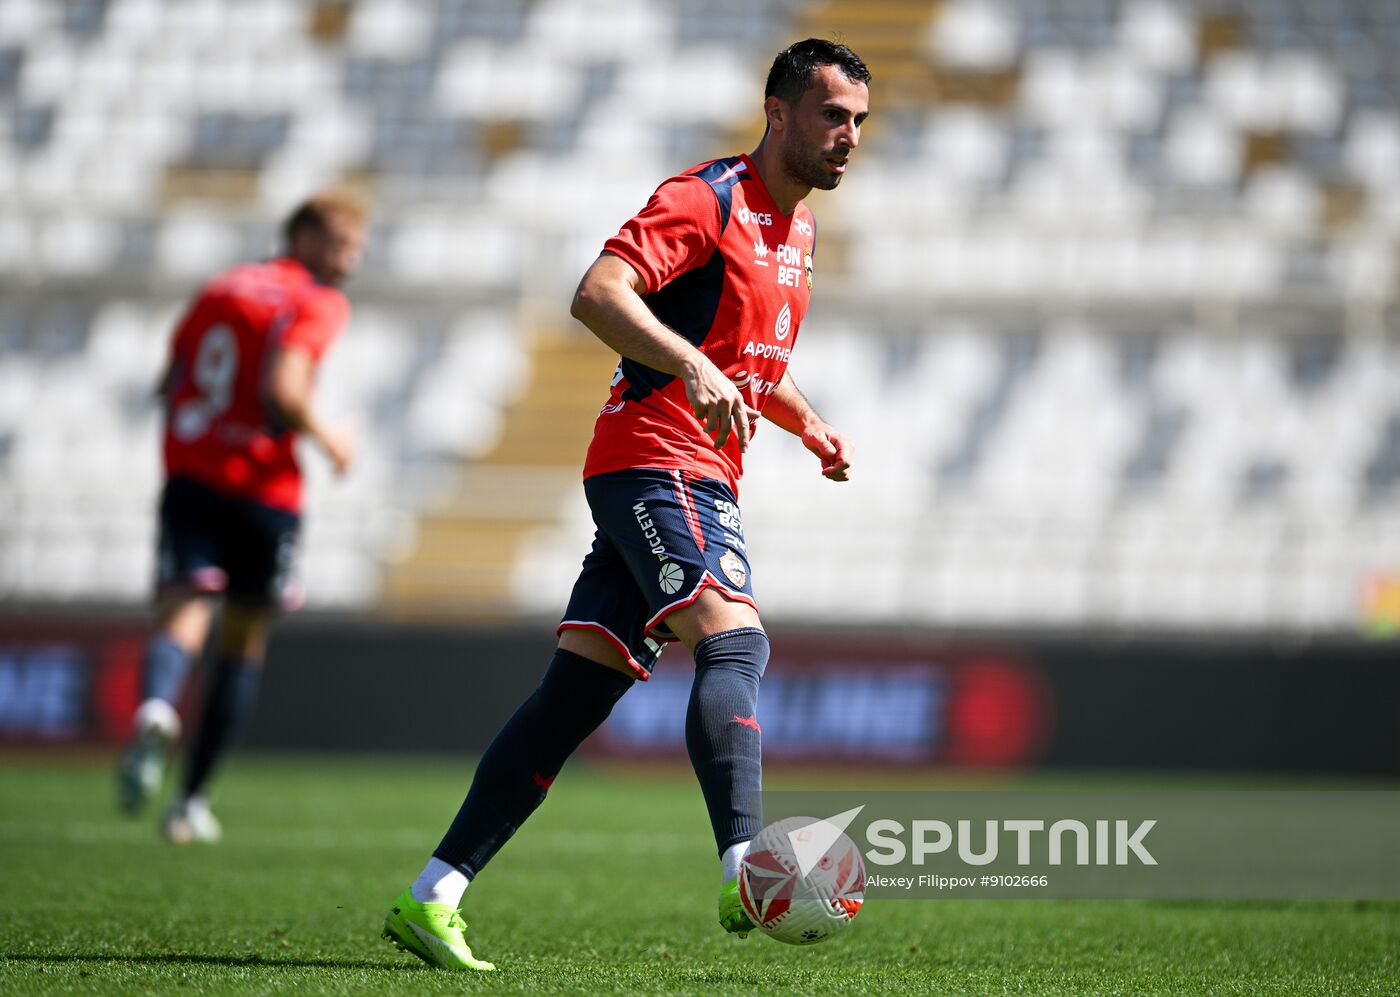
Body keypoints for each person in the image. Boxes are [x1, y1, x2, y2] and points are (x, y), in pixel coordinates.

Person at [381, 39, 870, 971]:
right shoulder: (706, 198)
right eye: (830, 116)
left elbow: (748, 358)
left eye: (857, 122)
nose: (847, 136)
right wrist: (687, 366)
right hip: (656, 462)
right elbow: (598, 294)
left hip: (696, 469)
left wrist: (808, 425)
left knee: (573, 697)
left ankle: (432, 894)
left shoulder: (798, 233)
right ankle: (746, 864)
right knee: (734, 639)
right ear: (777, 113)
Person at [116, 189, 369, 843]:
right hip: (263, 489)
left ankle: (154, 704)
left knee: (185, 611)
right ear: (304, 237)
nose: (353, 256)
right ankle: (190, 801)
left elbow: (168, 380)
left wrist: (198, 435)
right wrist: (330, 436)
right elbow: (284, 390)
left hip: (191, 474)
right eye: (342, 242)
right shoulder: (316, 301)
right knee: (242, 639)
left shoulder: (221, 286)